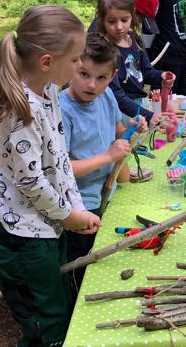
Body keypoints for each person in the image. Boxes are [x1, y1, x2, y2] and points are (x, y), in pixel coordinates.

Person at [0, 5, 102, 347]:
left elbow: (58, 164)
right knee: (45, 332)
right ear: (48, 61)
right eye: (76, 59)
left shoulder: (48, 91)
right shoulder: (17, 113)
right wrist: (68, 215)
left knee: (59, 317)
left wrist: (74, 209)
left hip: (47, 231)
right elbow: (31, 183)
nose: (80, 65)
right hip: (25, 242)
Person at [60, 33, 144, 270]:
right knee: (81, 262)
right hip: (80, 204)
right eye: (84, 74)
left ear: (112, 76)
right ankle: (72, 291)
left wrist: (130, 130)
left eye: (101, 78)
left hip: (108, 192)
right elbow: (61, 170)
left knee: (105, 259)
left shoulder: (106, 95)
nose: (91, 85)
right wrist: (108, 156)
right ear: (72, 66)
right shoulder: (62, 110)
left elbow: (117, 130)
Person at [93, 0, 171, 122]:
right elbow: (116, 94)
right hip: (117, 113)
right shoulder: (104, 49)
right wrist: (148, 115)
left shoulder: (135, 40)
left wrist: (162, 76)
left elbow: (145, 72)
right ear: (101, 18)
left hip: (138, 107)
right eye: (111, 21)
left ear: (132, 15)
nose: (119, 27)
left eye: (124, 20)